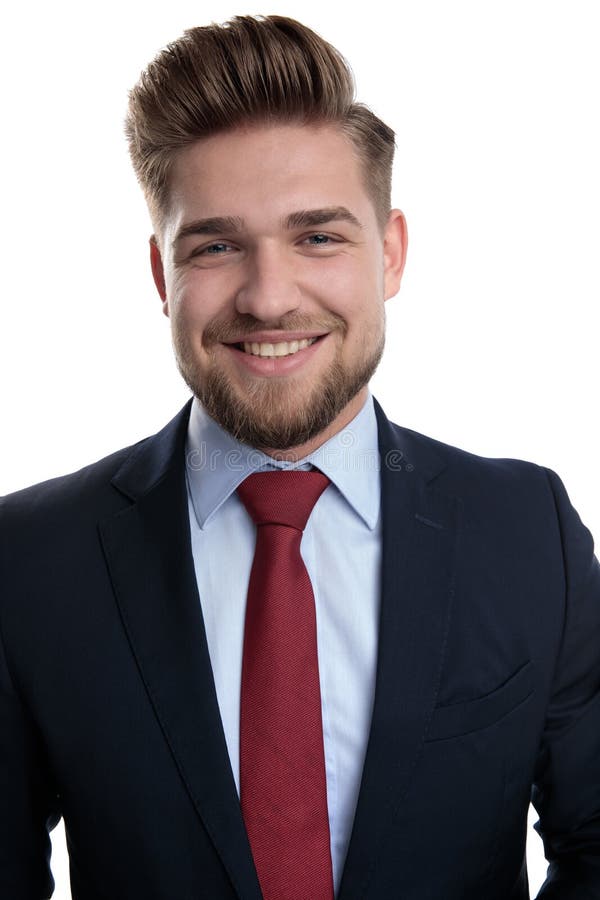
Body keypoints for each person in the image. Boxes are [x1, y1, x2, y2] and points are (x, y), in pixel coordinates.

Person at [1, 13, 599, 900]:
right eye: (215, 246)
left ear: (389, 253)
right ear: (163, 276)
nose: (270, 296)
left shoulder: (527, 530)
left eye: (318, 237)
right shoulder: (31, 556)